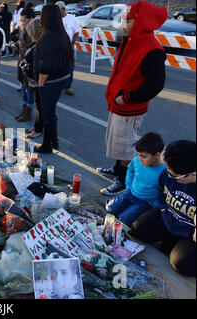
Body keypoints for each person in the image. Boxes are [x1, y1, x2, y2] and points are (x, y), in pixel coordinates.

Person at [97, 1, 167, 196]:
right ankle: (118, 170)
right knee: (117, 143)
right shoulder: (130, 39)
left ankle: (123, 181)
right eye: (123, 20)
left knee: (126, 147)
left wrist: (126, 98)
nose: (123, 25)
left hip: (129, 107)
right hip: (117, 104)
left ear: (142, 21)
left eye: (128, 20)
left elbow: (155, 85)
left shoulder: (152, 49)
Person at [129, 140, 196, 277]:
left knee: (182, 264)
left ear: (193, 174)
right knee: (137, 230)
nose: (169, 176)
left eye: (173, 176)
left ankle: (177, 244)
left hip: (191, 233)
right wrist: (164, 209)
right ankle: (171, 240)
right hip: (169, 216)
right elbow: (162, 191)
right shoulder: (170, 171)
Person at [33, 5, 73, 154]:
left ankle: (47, 145)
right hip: (62, 77)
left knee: (47, 113)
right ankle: (54, 140)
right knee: (51, 110)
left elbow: (46, 64)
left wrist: (41, 82)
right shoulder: (62, 33)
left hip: (50, 81)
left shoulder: (48, 36)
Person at [106, 132, 166, 226]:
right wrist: (129, 186)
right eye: (138, 155)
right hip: (130, 193)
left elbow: (165, 192)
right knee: (110, 209)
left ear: (157, 155)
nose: (139, 159)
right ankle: (114, 205)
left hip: (145, 202)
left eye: (144, 156)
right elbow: (130, 170)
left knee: (123, 219)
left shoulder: (164, 172)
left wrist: (155, 203)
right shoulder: (137, 161)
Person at [22, 18, 44, 139]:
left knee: (41, 106)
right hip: (35, 78)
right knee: (38, 104)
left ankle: (39, 128)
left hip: (40, 80)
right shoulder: (36, 43)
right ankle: (37, 126)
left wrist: (28, 65)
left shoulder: (41, 45)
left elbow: (39, 64)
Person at [15, 8, 36, 122]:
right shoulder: (24, 29)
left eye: (24, 21)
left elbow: (33, 46)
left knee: (29, 88)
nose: (22, 23)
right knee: (23, 86)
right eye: (21, 21)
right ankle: (24, 110)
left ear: (30, 19)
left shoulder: (34, 30)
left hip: (29, 60)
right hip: (22, 58)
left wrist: (21, 46)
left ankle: (29, 111)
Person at [56, 1, 81, 96]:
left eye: (59, 11)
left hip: (68, 47)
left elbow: (76, 31)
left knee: (69, 67)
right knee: (57, 67)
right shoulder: (55, 19)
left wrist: (72, 43)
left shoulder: (71, 18)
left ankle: (68, 86)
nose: (57, 13)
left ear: (64, 9)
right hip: (57, 48)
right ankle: (57, 85)